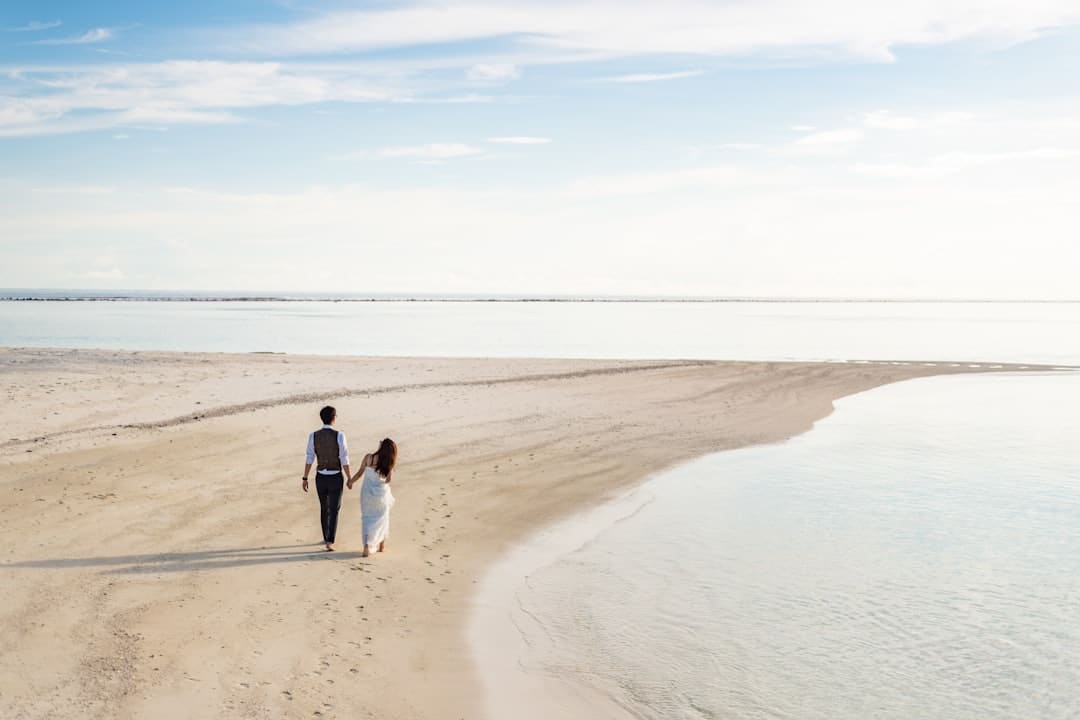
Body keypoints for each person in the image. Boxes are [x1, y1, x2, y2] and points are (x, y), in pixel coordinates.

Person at [303, 405, 352, 551]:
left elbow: (310, 457)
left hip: (321, 477)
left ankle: (326, 536)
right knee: (334, 508)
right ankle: (330, 541)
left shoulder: (313, 435)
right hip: (336, 477)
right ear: (333, 418)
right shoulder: (340, 435)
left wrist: (305, 477)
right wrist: (349, 477)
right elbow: (344, 458)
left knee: (324, 508)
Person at [348, 438, 397, 558]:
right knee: (382, 517)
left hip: (366, 493)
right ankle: (381, 546)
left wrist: (350, 482)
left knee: (367, 518)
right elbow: (389, 480)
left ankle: (366, 545)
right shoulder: (388, 462)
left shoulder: (368, 457)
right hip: (380, 493)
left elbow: (360, 473)